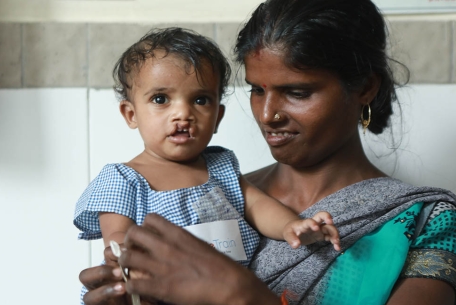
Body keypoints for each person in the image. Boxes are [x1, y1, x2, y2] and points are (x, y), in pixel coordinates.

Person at [78, 1, 456, 304]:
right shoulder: (223, 193)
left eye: (297, 91)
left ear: (365, 88)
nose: (267, 114)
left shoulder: (428, 222)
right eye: (257, 90)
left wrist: (240, 295)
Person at [74, 26, 341, 299]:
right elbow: (118, 239)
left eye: (200, 100)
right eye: (160, 99)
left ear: (218, 117)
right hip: (158, 293)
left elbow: (258, 206)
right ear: (131, 114)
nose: (183, 113)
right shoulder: (123, 179)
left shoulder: (220, 168)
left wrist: (292, 226)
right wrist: (131, 268)